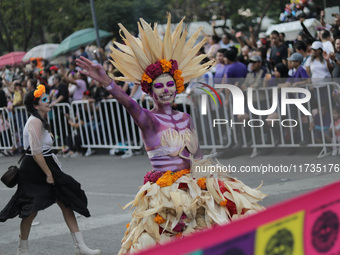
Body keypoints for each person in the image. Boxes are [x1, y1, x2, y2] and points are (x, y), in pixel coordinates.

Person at [77, 14, 266, 255]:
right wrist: (108, 84)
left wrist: (214, 181)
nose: (166, 91)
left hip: (196, 186)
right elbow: (129, 104)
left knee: (227, 224)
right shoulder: (148, 119)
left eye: (169, 85)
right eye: (159, 86)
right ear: (150, 91)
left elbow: (197, 154)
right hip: (164, 194)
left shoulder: (186, 118)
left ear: (176, 86)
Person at [0, 85, 101, 255]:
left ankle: (80, 246)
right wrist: (48, 174)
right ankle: (22, 249)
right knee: (31, 210)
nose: (49, 101)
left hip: (46, 164)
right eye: (45, 99)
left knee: (67, 203)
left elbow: (43, 150)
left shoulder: (42, 120)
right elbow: (36, 152)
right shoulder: (34, 121)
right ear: (36, 105)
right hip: (34, 169)